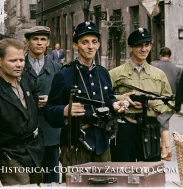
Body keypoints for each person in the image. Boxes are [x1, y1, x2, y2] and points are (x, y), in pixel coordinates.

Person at [44, 22, 126, 174]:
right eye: (85, 42)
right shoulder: (64, 75)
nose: (90, 46)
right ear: (75, 46)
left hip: (102, 143)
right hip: (76, 144)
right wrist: (64, 110)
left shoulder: (103, 73)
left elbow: (109, 98)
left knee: (104, 184)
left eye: (94, 42)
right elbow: (49, 111)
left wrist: (115, 104)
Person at [0, 38, 44, 187]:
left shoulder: (24, 79)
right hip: (9, 155)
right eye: (12, 60)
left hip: (33, 151)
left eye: (21, 59)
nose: (19, 64)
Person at [109, 28, 174, 162]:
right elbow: (105, 98)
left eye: (147, 45)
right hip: (124, 128)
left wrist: (149, 103)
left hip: (150, 129)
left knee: (149, 175)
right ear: (131, 48)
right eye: (139, 45)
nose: (144, 49)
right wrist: (121, 99)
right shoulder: (115, 74)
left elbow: (170, 103)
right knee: (124, 173)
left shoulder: (159, 74)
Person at [21, 26, 61, 184]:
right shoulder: (18, 66)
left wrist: (51, 100)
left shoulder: (57, 69)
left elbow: (64, 99)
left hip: (51, 131)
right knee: (28, 178)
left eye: (43, 39)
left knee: (51, 178)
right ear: (27, 42)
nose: (39, 43)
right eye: (35, 39)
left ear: (48, 43)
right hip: (25, 132)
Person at [153, 47, 182, 161]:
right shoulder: (177, 69)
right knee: (163, 123)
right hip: (172, 100)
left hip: (159, 99)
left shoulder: (155, 67)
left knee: (163, 125)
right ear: (170, 55)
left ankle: (167, 150)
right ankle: (163, 148)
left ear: (160, 55)